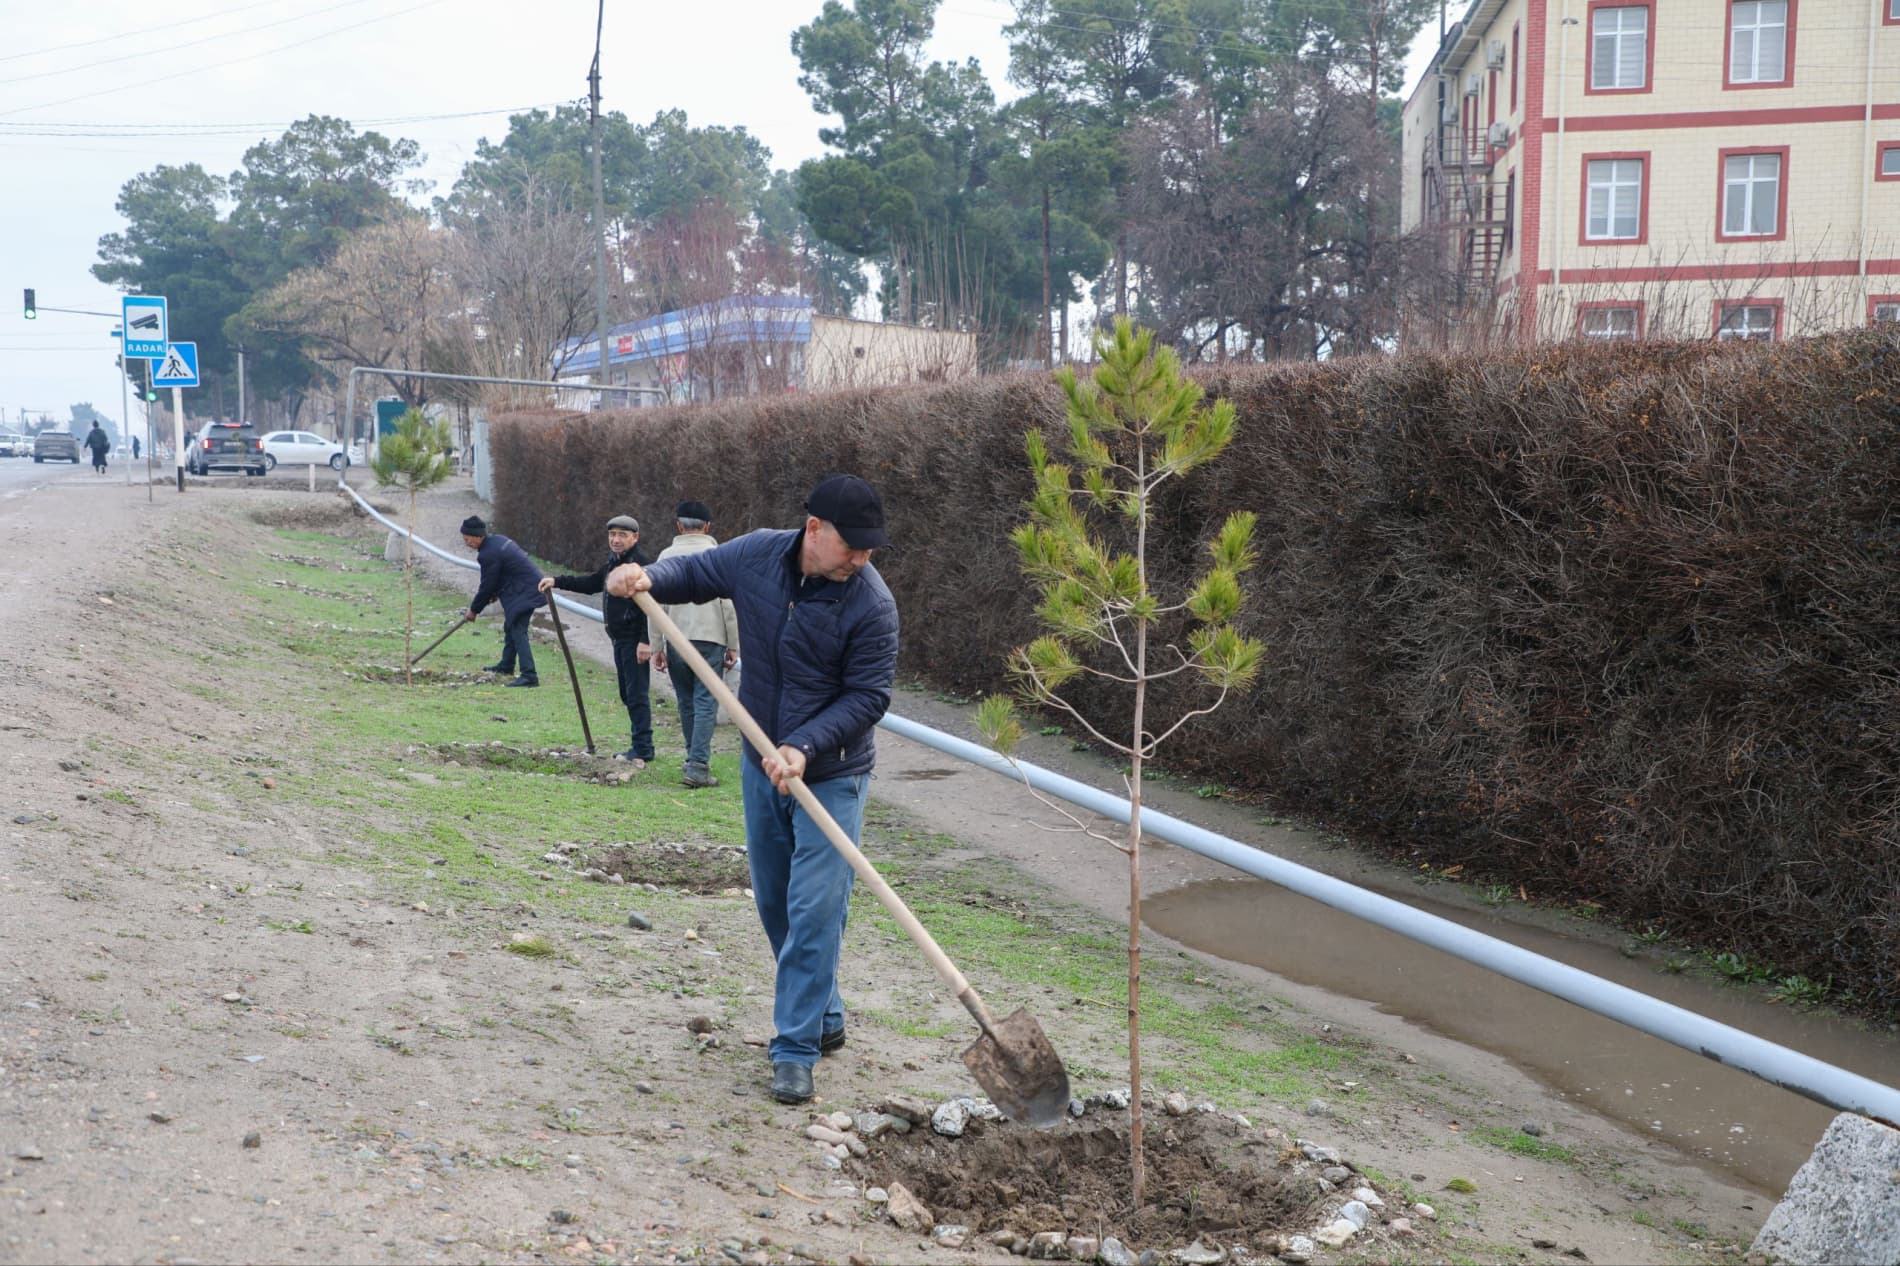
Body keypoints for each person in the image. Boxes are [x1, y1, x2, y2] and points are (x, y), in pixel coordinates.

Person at [607, 475, 897, 1105]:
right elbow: (692, 576)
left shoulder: (871, 605)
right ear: (814, 531)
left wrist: (805, 746)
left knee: (815, 906)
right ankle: (823, 1012)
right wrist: (640, 577)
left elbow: (870, 696)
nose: (862, 560)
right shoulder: (761, 554)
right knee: (774, 902)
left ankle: (794, 1049)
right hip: (757, 758)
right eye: (853, 546)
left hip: (833, 774)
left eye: (870, 550)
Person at [538, 515, 656, 765]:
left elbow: (653, 606)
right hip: (619, 639)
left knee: (636, 694)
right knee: (627, 693)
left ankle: (643, 748)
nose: (615, 540)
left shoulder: (639, 566)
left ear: (635, 538)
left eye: (622, 535)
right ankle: (640, 744)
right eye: (612, 534)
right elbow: (592, 583)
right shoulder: (614, 563)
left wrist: (646, 641)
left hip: (634, 640)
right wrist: (557, 581)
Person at [650, 501, 741, 789]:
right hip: (711, 638)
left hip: (676, 638)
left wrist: (656, 646)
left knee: (686, 702)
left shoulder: (665, 556)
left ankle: (692, 758)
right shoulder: (718, 555)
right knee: (706, 702)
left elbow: (654, 604)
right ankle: (698, 765)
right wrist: (733, 644)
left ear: (679, 525)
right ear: (708, 526)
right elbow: (728, 606)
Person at [460, 515, 545, 687]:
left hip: (525, 591)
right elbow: (502, 574)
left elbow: (487, 585)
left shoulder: (487, 553)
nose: (466, 543)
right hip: (528, 587)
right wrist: (494, 593)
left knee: (518, 630)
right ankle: (506, 665)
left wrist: (474, 610)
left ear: (478, 536)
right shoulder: (498, 541)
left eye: (467, 539)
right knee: (510, 626)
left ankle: (529, 675)